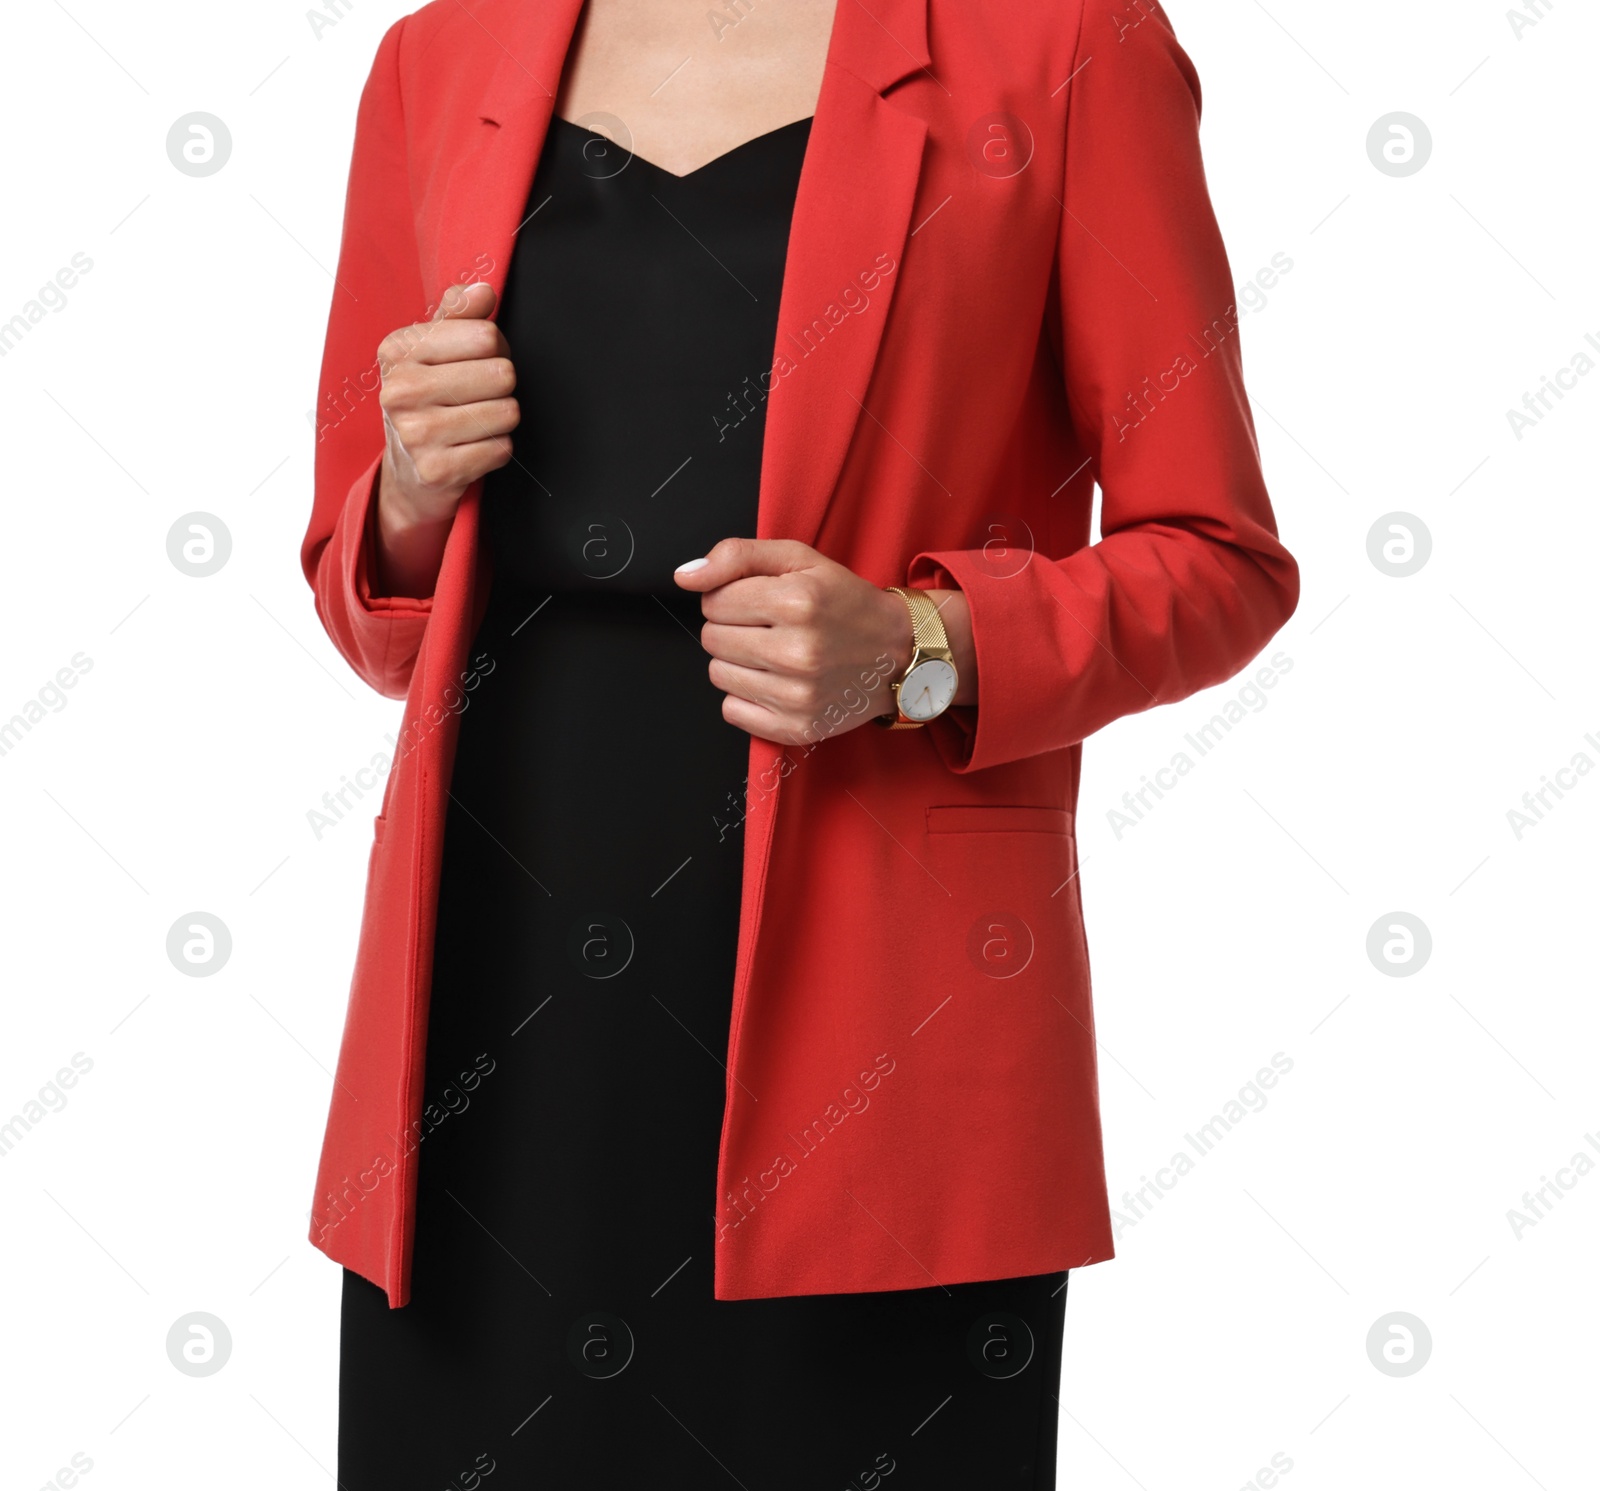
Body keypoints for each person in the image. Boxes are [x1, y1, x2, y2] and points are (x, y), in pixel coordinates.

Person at [299, 0, 1299, 1485]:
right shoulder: (437, 59)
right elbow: (367, 598)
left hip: (881, 1005)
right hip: (489, 992)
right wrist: (409, 495)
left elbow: (1221, 560)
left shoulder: (1064, 44)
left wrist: (920, 647)